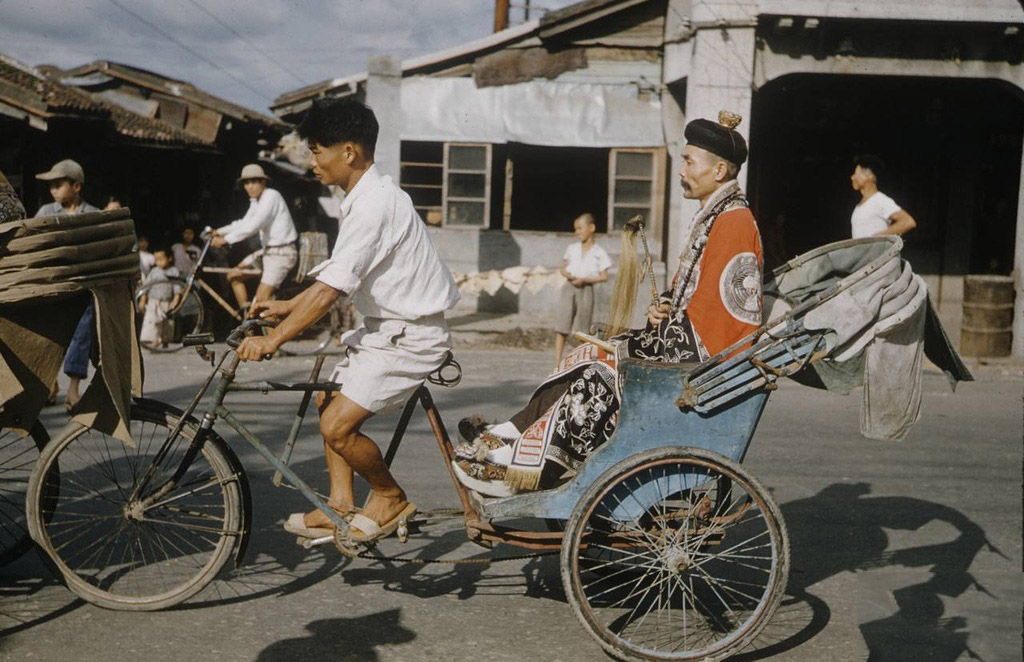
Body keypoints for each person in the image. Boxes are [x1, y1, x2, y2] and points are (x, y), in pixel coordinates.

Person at [453, 111, 764, 497]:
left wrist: (665, 329)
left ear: (719, 171)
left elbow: (726, 319)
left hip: (701, 360)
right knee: (591, 351)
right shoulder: (714, 215)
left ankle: (537, 468)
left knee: (601, 368)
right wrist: (662, 310)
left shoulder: (733, 222)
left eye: (688, 161)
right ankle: (515, 434)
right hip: (685, 342)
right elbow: (693, 292)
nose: (682, 169)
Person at [234, 98, 460, 542]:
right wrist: (286, 307)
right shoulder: (363, 200)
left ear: (349, 152)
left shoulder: (375, 204)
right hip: (387, 331)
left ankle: (389, 496)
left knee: (336, 425)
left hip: (411, 337)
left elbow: (331, 289)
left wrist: (274, 339)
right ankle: (340, 503)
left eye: (317, 151)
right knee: (327, 399)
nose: (312, 162)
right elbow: (337, 278)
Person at [34, 159, 100, 411]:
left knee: (81, 336)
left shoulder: (93, 214)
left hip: (83, 288)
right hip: (52, 286)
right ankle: (49, 382)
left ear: (76, 186)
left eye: (58, 184)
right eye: (51, 185)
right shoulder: (46, 213)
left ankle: (73, 390)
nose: (53, 190)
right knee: (49, 334)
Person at [211, 164, 298, 310]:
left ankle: (266, 325)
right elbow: (244, 223)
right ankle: (247, 318)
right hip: (267, 252)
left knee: (261, 303)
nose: (250, 186)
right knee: (234, 276)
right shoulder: (256, 201)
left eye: (254, 182)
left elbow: (254, 225)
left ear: (263, 182)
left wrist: (225, 240)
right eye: (246, 183)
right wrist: (219, 231)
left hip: (282, 254)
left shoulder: (271, 196)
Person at [554, 212, 611, 368]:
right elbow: (563, 267)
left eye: (580, 228)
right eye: (575, 229)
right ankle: (557, 363)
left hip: (586, 289)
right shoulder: (572, 248)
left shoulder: (599, 252)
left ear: (591, 228)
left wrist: (585, 279)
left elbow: (604, 276)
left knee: (582, 329)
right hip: (569, 287)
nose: (577, 232)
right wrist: (566, 273)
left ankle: (577, 364)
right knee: (562, 325)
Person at [850, 155, 917, 238]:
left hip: (877, 251)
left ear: (869, 176)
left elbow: (908, 222)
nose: (852, 177)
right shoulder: (859, 206)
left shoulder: (880, 200)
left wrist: (877, 239)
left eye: (856, 173)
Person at [137, 248, 182, 349]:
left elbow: (177, 286)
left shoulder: (174, 271)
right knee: (153, 321)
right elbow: (147, 286)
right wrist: (143, 299)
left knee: (166, 322)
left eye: (161, 259)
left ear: (169, 258)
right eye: (157, 260)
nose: (159, 262)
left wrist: (176, 298)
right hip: (154, 301)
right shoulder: (154, 271)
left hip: (167, 301)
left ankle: (164, 340)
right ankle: (154, 340)